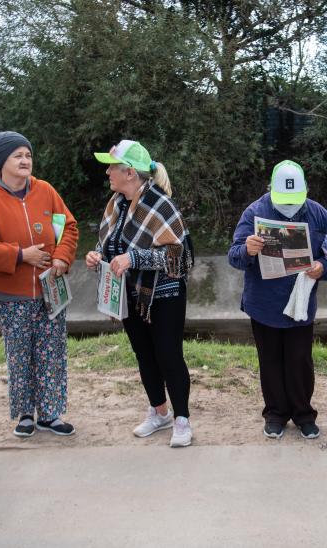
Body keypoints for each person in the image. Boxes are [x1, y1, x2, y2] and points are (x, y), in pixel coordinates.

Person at [0, 131, 79, 437]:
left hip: (51, 292)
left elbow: (68, 227)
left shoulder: (45, 190)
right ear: (1, 161)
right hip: (10, 295)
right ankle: (25, 415)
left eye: (28, 155)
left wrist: (61, 258)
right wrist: (20, 255)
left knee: (51, 352)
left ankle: (51, 414)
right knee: (20, 355)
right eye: (18, 155)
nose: (25, 160)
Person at [85, 140, 195, 447]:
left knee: (168, 355)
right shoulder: (115, 204)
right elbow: (111, 245)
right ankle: (159, 413)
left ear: (130, 173)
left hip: (164, 293)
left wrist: (134, 259)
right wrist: (97, 256)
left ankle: (182, 420)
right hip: (130, 294)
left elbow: (180, 257)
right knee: (144, 355)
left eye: (112, 167)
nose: (107, 172)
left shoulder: (160, 204)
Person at [228, 160, 327, 440]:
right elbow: (233, 256)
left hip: (301, 304)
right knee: (270, 361)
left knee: (300, 361)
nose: (289, 206)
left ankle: (304, 414)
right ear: (270, 190)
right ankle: (275, 414)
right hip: (264, 304)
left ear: (305, 190)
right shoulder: (255, 212)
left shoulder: (318, 213)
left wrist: (321, 268)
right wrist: (248, 249)